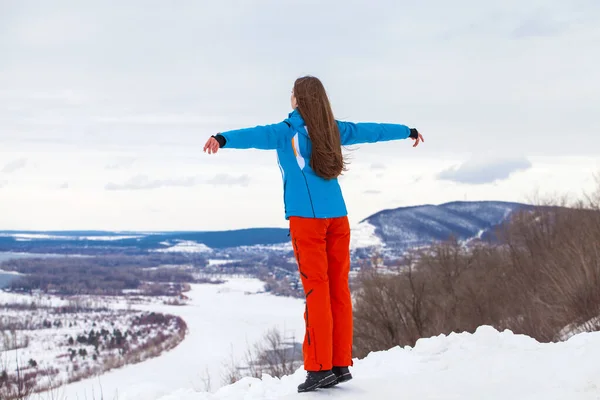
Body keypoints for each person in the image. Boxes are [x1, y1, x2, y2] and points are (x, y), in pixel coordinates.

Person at [203, 76, 424, 392]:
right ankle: (339, 364)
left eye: (292, 93)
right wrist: (408, 131)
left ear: (298, 99)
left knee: (316, 292)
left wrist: (221, 138)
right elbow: (374, 130)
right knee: (338, 291)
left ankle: (320, 369)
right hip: (339, 218)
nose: (290, 97)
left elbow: (255, 135)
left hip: (307, 221)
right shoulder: (335, 129)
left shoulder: (287, 131)